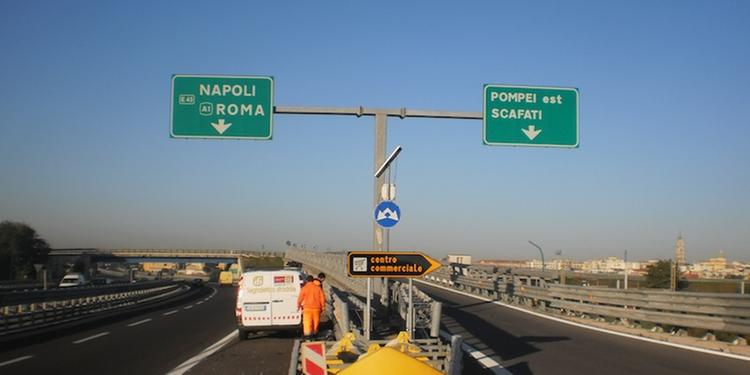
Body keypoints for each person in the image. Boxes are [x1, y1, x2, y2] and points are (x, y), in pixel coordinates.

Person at [297, 275, 325, 340]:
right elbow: (322, 298)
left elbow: (300, 298)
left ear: (307, 280)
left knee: (307, 322)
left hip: (307, 308)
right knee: (316, 322)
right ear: (313, 280)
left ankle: (307, 335)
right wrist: (323, 307)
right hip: (317, 308)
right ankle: (315, 333)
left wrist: (299, 305)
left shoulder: (304, 288)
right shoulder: (318, 288)